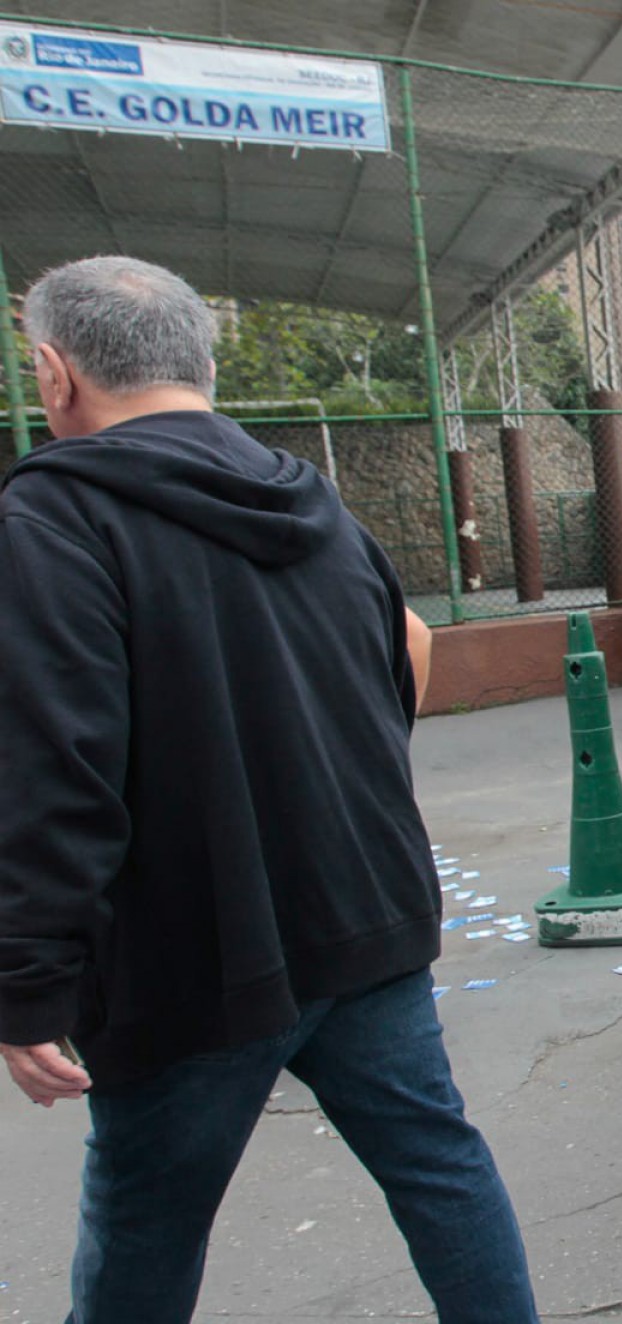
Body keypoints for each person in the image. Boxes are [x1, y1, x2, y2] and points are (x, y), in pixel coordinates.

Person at [0, 256, 536, 1322]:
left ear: (54, 373)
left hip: (190, 956)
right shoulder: (314, 504)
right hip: (364, 921)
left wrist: (25, 980)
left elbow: (56, 764)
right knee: (440, 1166)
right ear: (201, 363)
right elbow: (407, 655)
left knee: (145, 1228)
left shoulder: (55, 521)